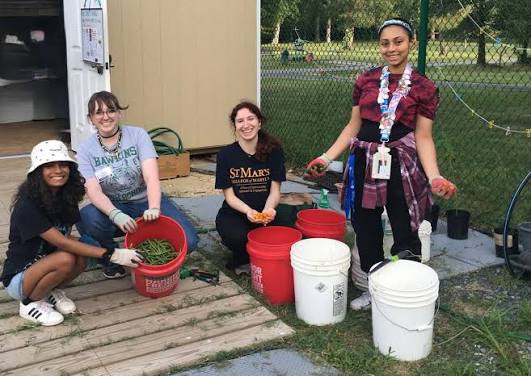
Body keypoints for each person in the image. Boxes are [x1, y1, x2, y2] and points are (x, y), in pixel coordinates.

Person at [307, 18, 457, 310]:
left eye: (398, 41)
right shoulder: (366, 79)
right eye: (385, 43)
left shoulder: (424, 87)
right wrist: (327, 157)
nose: (391, 48)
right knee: (365, 225)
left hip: (401, 163)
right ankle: (374, 289)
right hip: (364, 160)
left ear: (411, 43)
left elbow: (424, 137)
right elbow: (353, 126)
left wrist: (435, 176)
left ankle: (406, 292)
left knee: (405, 225)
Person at [0, 140, 142, 326]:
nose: (58, 170)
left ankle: (50, 290)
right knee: (66, 258)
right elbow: (63, 243)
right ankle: (29, 304)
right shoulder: (28, 206)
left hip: (46, 261)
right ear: (37, 172)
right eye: (49, 166)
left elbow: (67, 236)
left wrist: (91, 247)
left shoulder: (65, 196)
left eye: (63, 164)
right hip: (20, 278)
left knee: (84, 249)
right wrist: (112, 254)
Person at [76, 91, 199, 279]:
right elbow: (93, 190)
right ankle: (112, 255)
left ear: (119, 113)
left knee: (189, 242)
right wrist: (115, 214)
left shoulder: (137, 135)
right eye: (98, 113)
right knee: (87, 217)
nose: (106, 116)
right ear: (91, 118)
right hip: (114, 204)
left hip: (145, 201)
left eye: (111, 110)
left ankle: (145, 247)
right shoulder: (85, 149)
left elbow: (151, 177)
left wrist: (155, 207)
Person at [215, 101, 286, 273]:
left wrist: (268, 210)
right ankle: (242, 257)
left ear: (259, 122)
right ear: (235, 126)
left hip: (266, 212)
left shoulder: (274, 151)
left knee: (288, 235)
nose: (246, 125)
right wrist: (248, 211)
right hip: (236, 213)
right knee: (237, 237)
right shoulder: (225, 155)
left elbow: (275, 192)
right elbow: (230, 197)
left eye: (251, 119)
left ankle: (259, 257)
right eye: (240, 121)